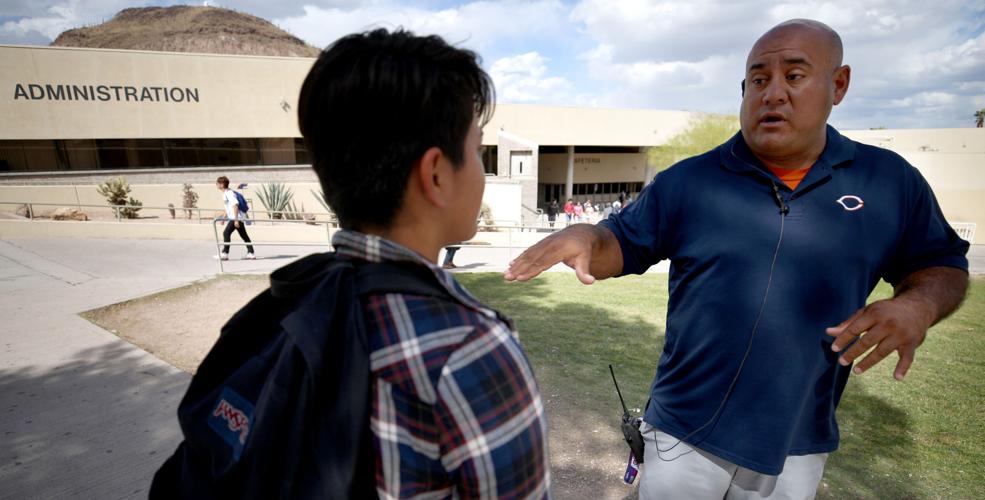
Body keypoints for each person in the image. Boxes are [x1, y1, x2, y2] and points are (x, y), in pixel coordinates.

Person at [505, 19, 968, 499]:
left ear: (839, 84)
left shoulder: (889, 181)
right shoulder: (690, 181)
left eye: (794, 75)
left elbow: (942, 264)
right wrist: (586, 236)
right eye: (758, 79)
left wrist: (919, 305)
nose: (772, 93)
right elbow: (616, 244)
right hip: (683, 435)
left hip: (797, 441)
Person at [298, 29, 549, 496]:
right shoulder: (468, 351)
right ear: (435, 173)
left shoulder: (290, 305)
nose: (481, 168)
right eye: (478, 150)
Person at [215, 176, 255, 260]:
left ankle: (225, 253)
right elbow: (229, 207)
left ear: (222, 184)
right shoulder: (226, 193)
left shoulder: (229, 193)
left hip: (236, 218)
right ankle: (251, 253)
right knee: (244, 236)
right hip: (236, 218)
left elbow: (235, 205)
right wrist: (223, 218)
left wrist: (236, 219)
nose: (216, 185)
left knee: (226, 233)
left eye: (217, 183)